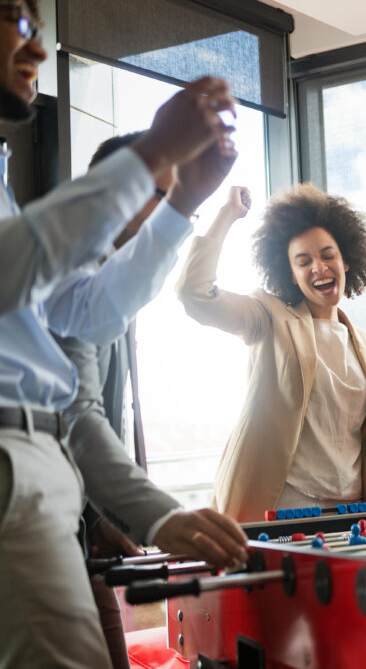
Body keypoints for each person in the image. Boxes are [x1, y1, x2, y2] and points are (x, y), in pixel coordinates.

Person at [0, 0, 248, 665]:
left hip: (41, 467)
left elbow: (86, 310)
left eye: (41, 25)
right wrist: (150, 157)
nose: (37, 47)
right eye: (16, 19)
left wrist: (184, 202)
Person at [53, 131, 220, 669]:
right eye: (166, 202)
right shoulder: (76, 272)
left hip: (72, 525)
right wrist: (163, 519)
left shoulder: (113, 283)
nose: (173, 226)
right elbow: (77, 420)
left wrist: (98, 518)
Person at [177, 183, 366, 522]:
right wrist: (226, 214)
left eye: (328, 255)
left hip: (350, 513)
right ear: (292, 276)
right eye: (304, 261)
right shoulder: (268, 317)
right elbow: (194, 294)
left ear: (346, 261)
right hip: (282, 508)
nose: (319, 267)